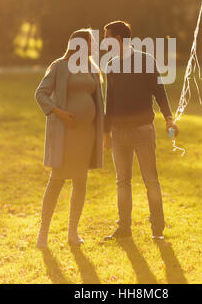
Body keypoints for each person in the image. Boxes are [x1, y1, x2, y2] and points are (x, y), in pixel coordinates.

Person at [103, 20, 178, 240]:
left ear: (117, 39)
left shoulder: (145, 60)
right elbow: (111, 102)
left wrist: (168, 119)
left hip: (142, 131)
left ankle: (157, 229)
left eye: (107, 36)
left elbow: (159, 91)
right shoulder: (112, 65)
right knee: (122, 181)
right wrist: (106, 133)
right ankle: (124, 228)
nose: (104, 41)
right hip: (119, 133)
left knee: (150, 180)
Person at [35, 28, 104, 247]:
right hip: (66, 133)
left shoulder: (92, 68)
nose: (93, 45)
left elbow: (97, 99)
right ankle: (43, 233)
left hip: (87, 134)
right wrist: (59, 113)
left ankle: (73, 233)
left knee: (81, 182)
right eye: (90, 42)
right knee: (56, 182)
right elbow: (40, 93)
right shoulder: (59, 67)